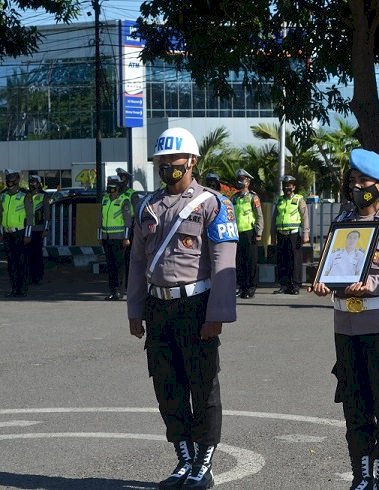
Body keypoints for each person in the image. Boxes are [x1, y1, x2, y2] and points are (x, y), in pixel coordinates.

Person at [127, 127, 238, 489]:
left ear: (192, 162)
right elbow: (137, 261)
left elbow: (224, 262)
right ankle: (184, 460)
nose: (167, 167)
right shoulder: (147, 205)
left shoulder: (213, 203)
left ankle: (203, 463)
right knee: (167, 386)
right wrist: (134, 309)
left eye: (174, 161)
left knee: (202, 385)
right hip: (159, 308)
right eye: (161, 161)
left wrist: (217, 315)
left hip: (196, 305)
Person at [311, 148, 379, 490]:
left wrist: (373, 284)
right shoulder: (341, 224)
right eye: (353, 180)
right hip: (346, 329)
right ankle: (361, 475)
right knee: (355, 406)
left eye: (365, 180)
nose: (358, 186)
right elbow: (331, 268)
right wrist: (321, 281)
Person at [272, 174, 309, 295]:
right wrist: (272, 234)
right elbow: (274, 218)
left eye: (288, 185)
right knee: (282, 260)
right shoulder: (280, 200)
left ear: (293, 187)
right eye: (284, 185)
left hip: (293, 233)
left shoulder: (299, 199)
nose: (286, 188)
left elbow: (305, 217)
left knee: (295, 260)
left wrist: (306, 233)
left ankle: (295, 285)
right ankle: (284, 285)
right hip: (281, 233)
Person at [98, 175, 131, 300]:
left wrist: (126, 237)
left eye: (113, 185)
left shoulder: (124, 200)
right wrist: (99, 235)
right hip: (106, 237)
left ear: (118, 187)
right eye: (109, 185)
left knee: (119, 265)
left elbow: (127, 222)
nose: (110, 188)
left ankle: (119, 291)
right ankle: (112, 290)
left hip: (119, 238)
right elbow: (100, 219)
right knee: (110, 265)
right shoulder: (105, 200)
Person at [232, 168, 264, 299]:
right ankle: (242, 286)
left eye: (242, 180)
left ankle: (251, 287)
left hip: (249, 233)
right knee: (239, 261)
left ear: (248, 182)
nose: (240, 182)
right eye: (238, 179)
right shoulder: (234, 198)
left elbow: (259, 215)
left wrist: (259, 232)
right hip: (237, 233)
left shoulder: (253, 197)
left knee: (250, 261)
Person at [0, 169, 33, 297]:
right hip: (7, 233)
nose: (9, 180)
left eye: (12, 177)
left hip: (20, 233)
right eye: (8, 177)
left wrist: (28, 234)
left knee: (21, 262)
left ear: (18, 179)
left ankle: (23, 288)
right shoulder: (3, 195)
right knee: (11, 263)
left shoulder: (25, 195)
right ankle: (14, 288)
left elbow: (30, 216)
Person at [116, 167, 138, 291]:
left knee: (128, 259)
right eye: (119, 177)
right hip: (116, 232)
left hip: (129, 230)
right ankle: (118, 286)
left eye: (123, 177)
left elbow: (136, 212)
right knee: (118, 261)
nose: (121, 180)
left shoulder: (131, 194)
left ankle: (128, 285)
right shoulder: (114, 194)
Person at [28, 175, 51, 285]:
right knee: (28, 254)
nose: (32, 184)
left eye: (34, 182)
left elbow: (47, 214)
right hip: (27, 229)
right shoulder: (26, 195)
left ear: (39, 183)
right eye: (31, 182)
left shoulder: (43, 196)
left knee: (37, 254)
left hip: (38, 229)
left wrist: (46, 228)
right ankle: (30, 275)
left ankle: (37, 276)